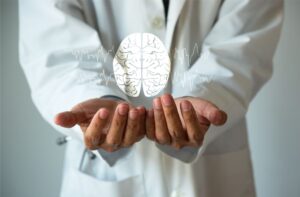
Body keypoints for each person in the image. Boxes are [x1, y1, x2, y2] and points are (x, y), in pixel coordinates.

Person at [19, 0, 283, 196]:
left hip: (211, 175)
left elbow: (243, 43)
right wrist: (95, 94)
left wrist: (203, 93)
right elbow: (54, 44)